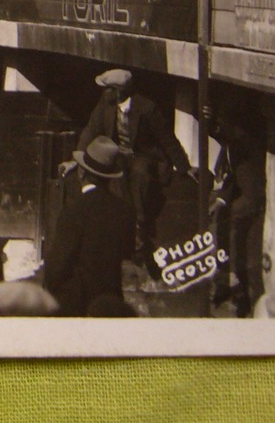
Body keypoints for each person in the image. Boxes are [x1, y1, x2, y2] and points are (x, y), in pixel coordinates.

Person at [72, 68, 192, 252]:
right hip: (118, 154)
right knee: (112, 174)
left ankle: (139, 223)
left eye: (106, 89)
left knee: (140, 172)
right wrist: (77, 157)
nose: (103, 93)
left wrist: (184, 167)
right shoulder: (105, 105)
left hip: (143, 156)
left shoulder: (146, 108)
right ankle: (117, 222)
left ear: (118, 91)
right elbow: (90, 130)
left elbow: (167, 139)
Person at [42, 136, 136, 316]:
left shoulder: (74, 210)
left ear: (82, 173)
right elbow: (127, 252)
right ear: (109, 178)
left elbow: (57, 266)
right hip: (110, 303)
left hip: (77, 305)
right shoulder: (124, 211)